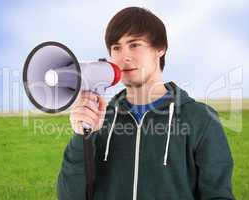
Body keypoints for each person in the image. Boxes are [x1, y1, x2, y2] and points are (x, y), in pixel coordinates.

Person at [57, 7, 235, 200]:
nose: (124, 56)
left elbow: (218, 195)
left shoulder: (201, 118)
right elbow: (70, 196)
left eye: (134, 45)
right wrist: (81, 137)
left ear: (160, 49)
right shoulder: (101, 119)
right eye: (116, 47)